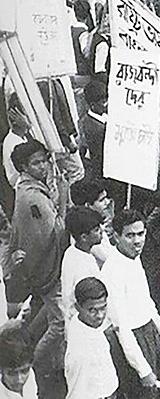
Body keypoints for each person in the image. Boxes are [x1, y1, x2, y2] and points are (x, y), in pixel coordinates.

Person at [9, 140, 69, 398]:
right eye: (36, 163)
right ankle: (28, 363)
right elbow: (54, 231)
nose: (43, 166)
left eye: (44, 160)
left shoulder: (28, 188)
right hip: (45, 267)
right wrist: (64, 200)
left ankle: (25, 343)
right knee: (59, 323)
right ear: (24, 167)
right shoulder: (32, 197)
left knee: (42, 311)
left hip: (39, 267)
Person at [101, 209, 160, 398]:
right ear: (116, 237)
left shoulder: (134, 257)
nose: (137, 240)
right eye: (130, 235)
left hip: (149, 333)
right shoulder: (112, 271)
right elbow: (121, 328)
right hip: (132, 343)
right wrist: (143, 370)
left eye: (141, 234)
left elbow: (145, 298)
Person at [64, 277, 118, 399]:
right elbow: (76, 392)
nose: (100, 316)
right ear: (77, 307)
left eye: (103, 307)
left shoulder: (82, 322)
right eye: (92, 310)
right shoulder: (80, 352)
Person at [60, 207, 103, 322]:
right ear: (84, 237)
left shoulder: (71, 251)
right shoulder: (82, 268)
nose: (101, 231)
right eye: (96, 230)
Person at [69, 178, 115, 266]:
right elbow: (109, 259)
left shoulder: (94, 224)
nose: (107, 202)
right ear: (88, 206)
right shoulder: (90, 233)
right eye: (102, 200)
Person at [0, 326, 37, 399]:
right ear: (1, 370)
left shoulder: (30, 378)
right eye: (12, 373)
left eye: (24, 371)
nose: (20, 380)